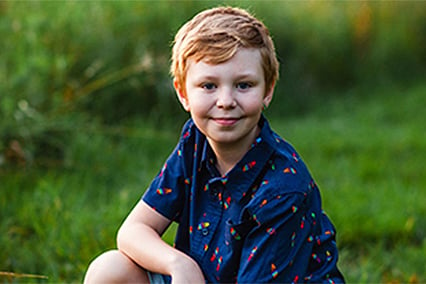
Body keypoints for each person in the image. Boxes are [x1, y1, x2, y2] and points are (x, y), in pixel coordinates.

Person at [84, 6, 344, 283]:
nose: (225, 101)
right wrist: (180, 265)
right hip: (201, 278)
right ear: (183, 93)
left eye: (243, 85)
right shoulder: (195, 143)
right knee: (109, 270)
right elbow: (133, 231)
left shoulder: (282, 190)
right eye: (209, 86)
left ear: (267, 90)